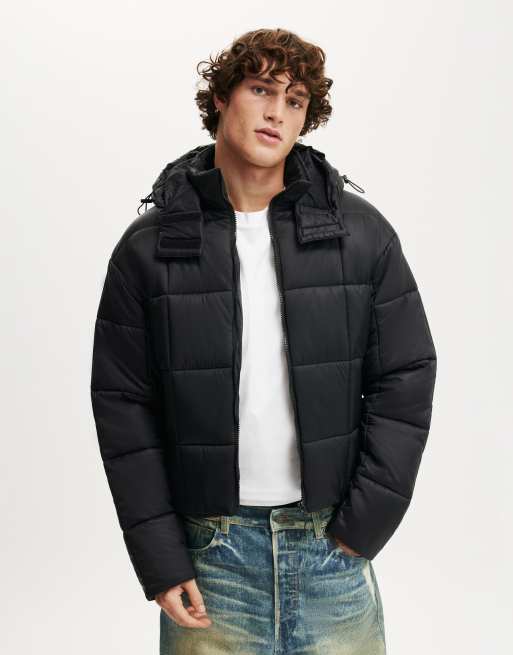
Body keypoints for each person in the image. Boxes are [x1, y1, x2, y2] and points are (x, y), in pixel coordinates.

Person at [90, 28, 437, 654]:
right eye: (261, 90)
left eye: (295, 100)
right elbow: (123, 407)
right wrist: (160, 557)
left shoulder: (361, 235)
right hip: (211, 556)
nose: (277, 111)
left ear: (306, 119)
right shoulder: (148, 249)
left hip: (331, 552)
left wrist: (364, 524)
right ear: (221, 98)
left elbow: (406, 376)